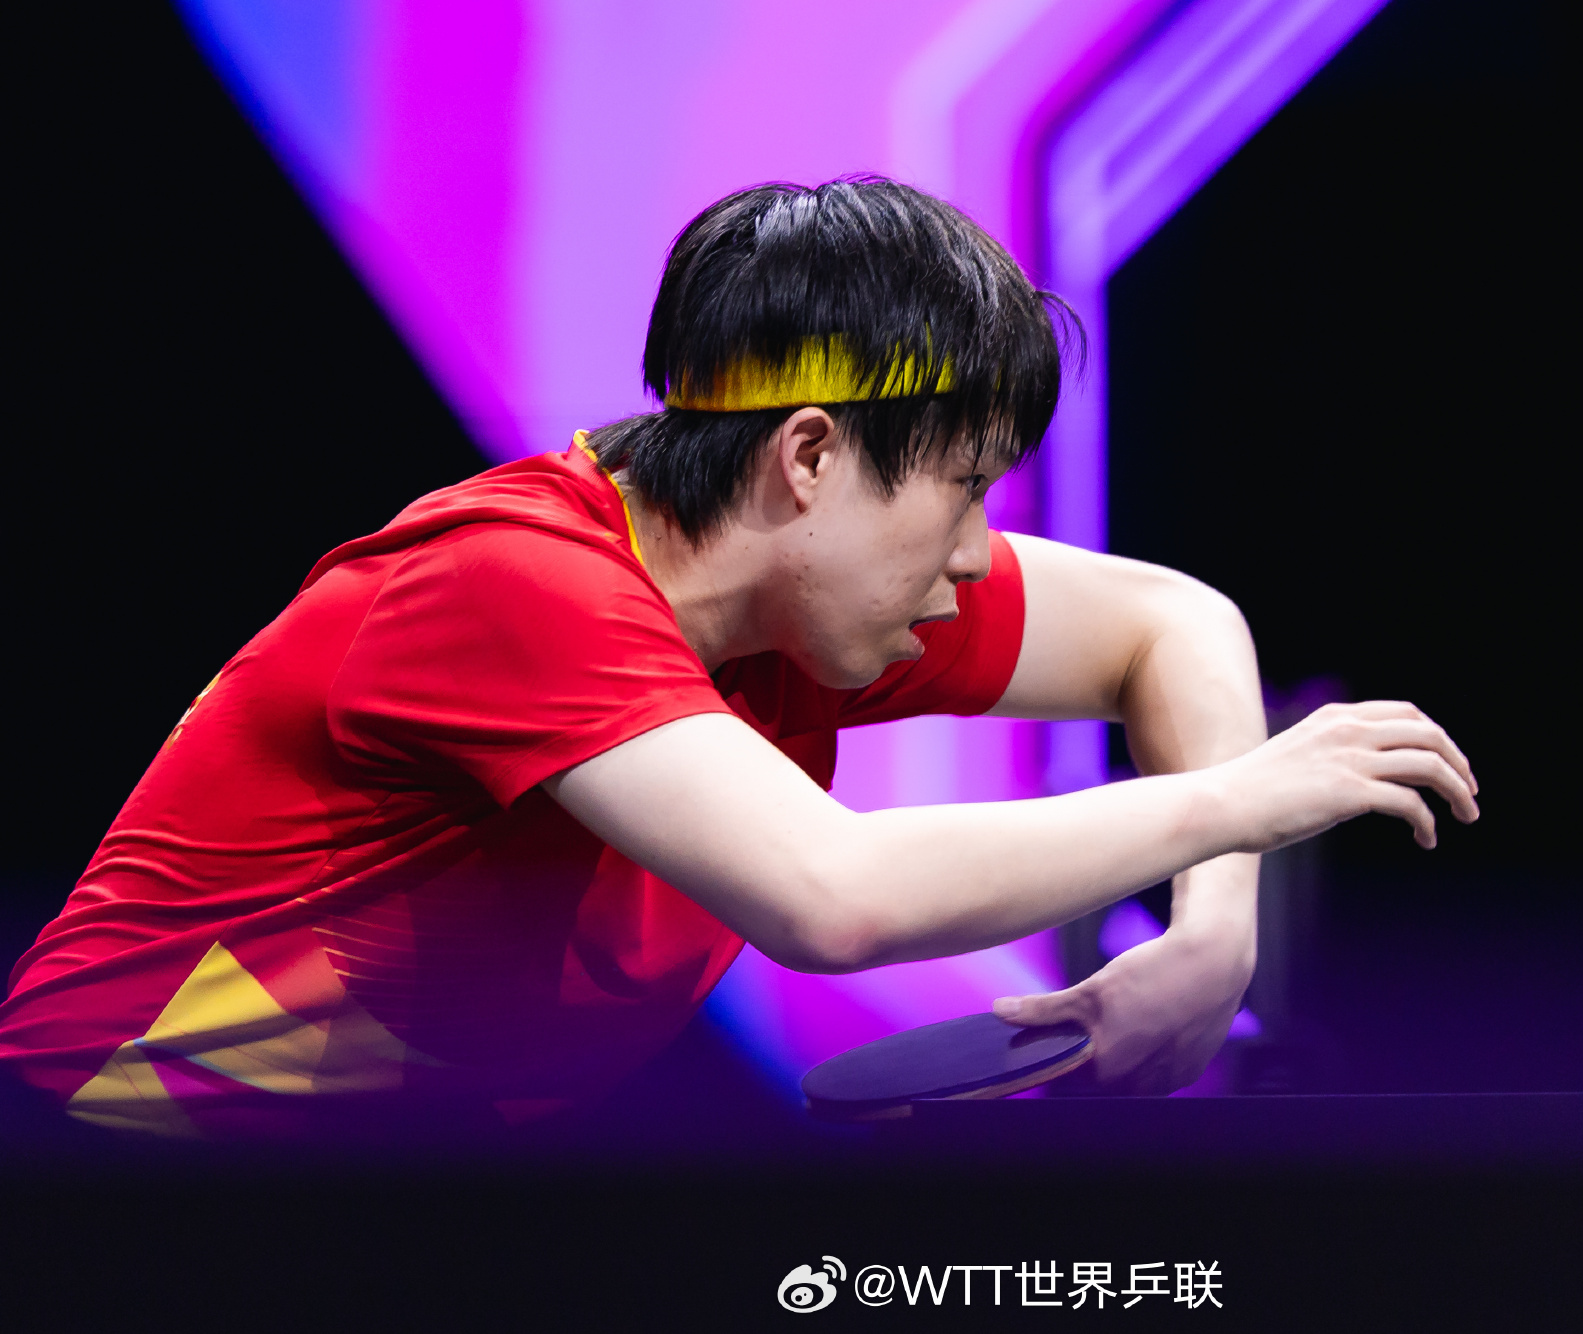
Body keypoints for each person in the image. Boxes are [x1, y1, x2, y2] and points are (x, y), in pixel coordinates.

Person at [0, 177, 1477, 1139]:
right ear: (811, 458)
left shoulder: (798, 607)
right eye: (963, 490)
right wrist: (1238, 802)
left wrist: (1212, 939)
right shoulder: (508, 588)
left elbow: (1173, 621)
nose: (977, 556)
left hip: (391, 1206)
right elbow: (836, 897)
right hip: (97, 1180)